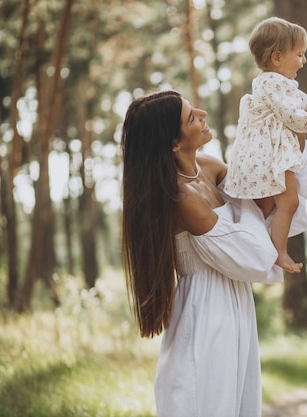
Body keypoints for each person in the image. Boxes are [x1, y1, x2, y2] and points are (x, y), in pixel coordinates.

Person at [121, 90, 284, 417]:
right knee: (206, 401)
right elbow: (253, 257)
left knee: (239, 402)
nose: (203, 114)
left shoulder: (209, 168)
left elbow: (268, 196)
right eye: (191, 116)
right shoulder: (181, 197)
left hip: (236, 303)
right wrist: (246, 207)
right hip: (206, 311)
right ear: (174, 143)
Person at [224, 17, 307, 273]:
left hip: (273, 155)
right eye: (300, 54)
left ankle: (265, 245)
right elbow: (291, 115)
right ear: (278, 58)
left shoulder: (279, 84)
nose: (303, 61)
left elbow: (302, 101)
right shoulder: (270, 83)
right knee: (288, 203)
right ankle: (278, 251)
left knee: (277, 206)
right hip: (268, 157)